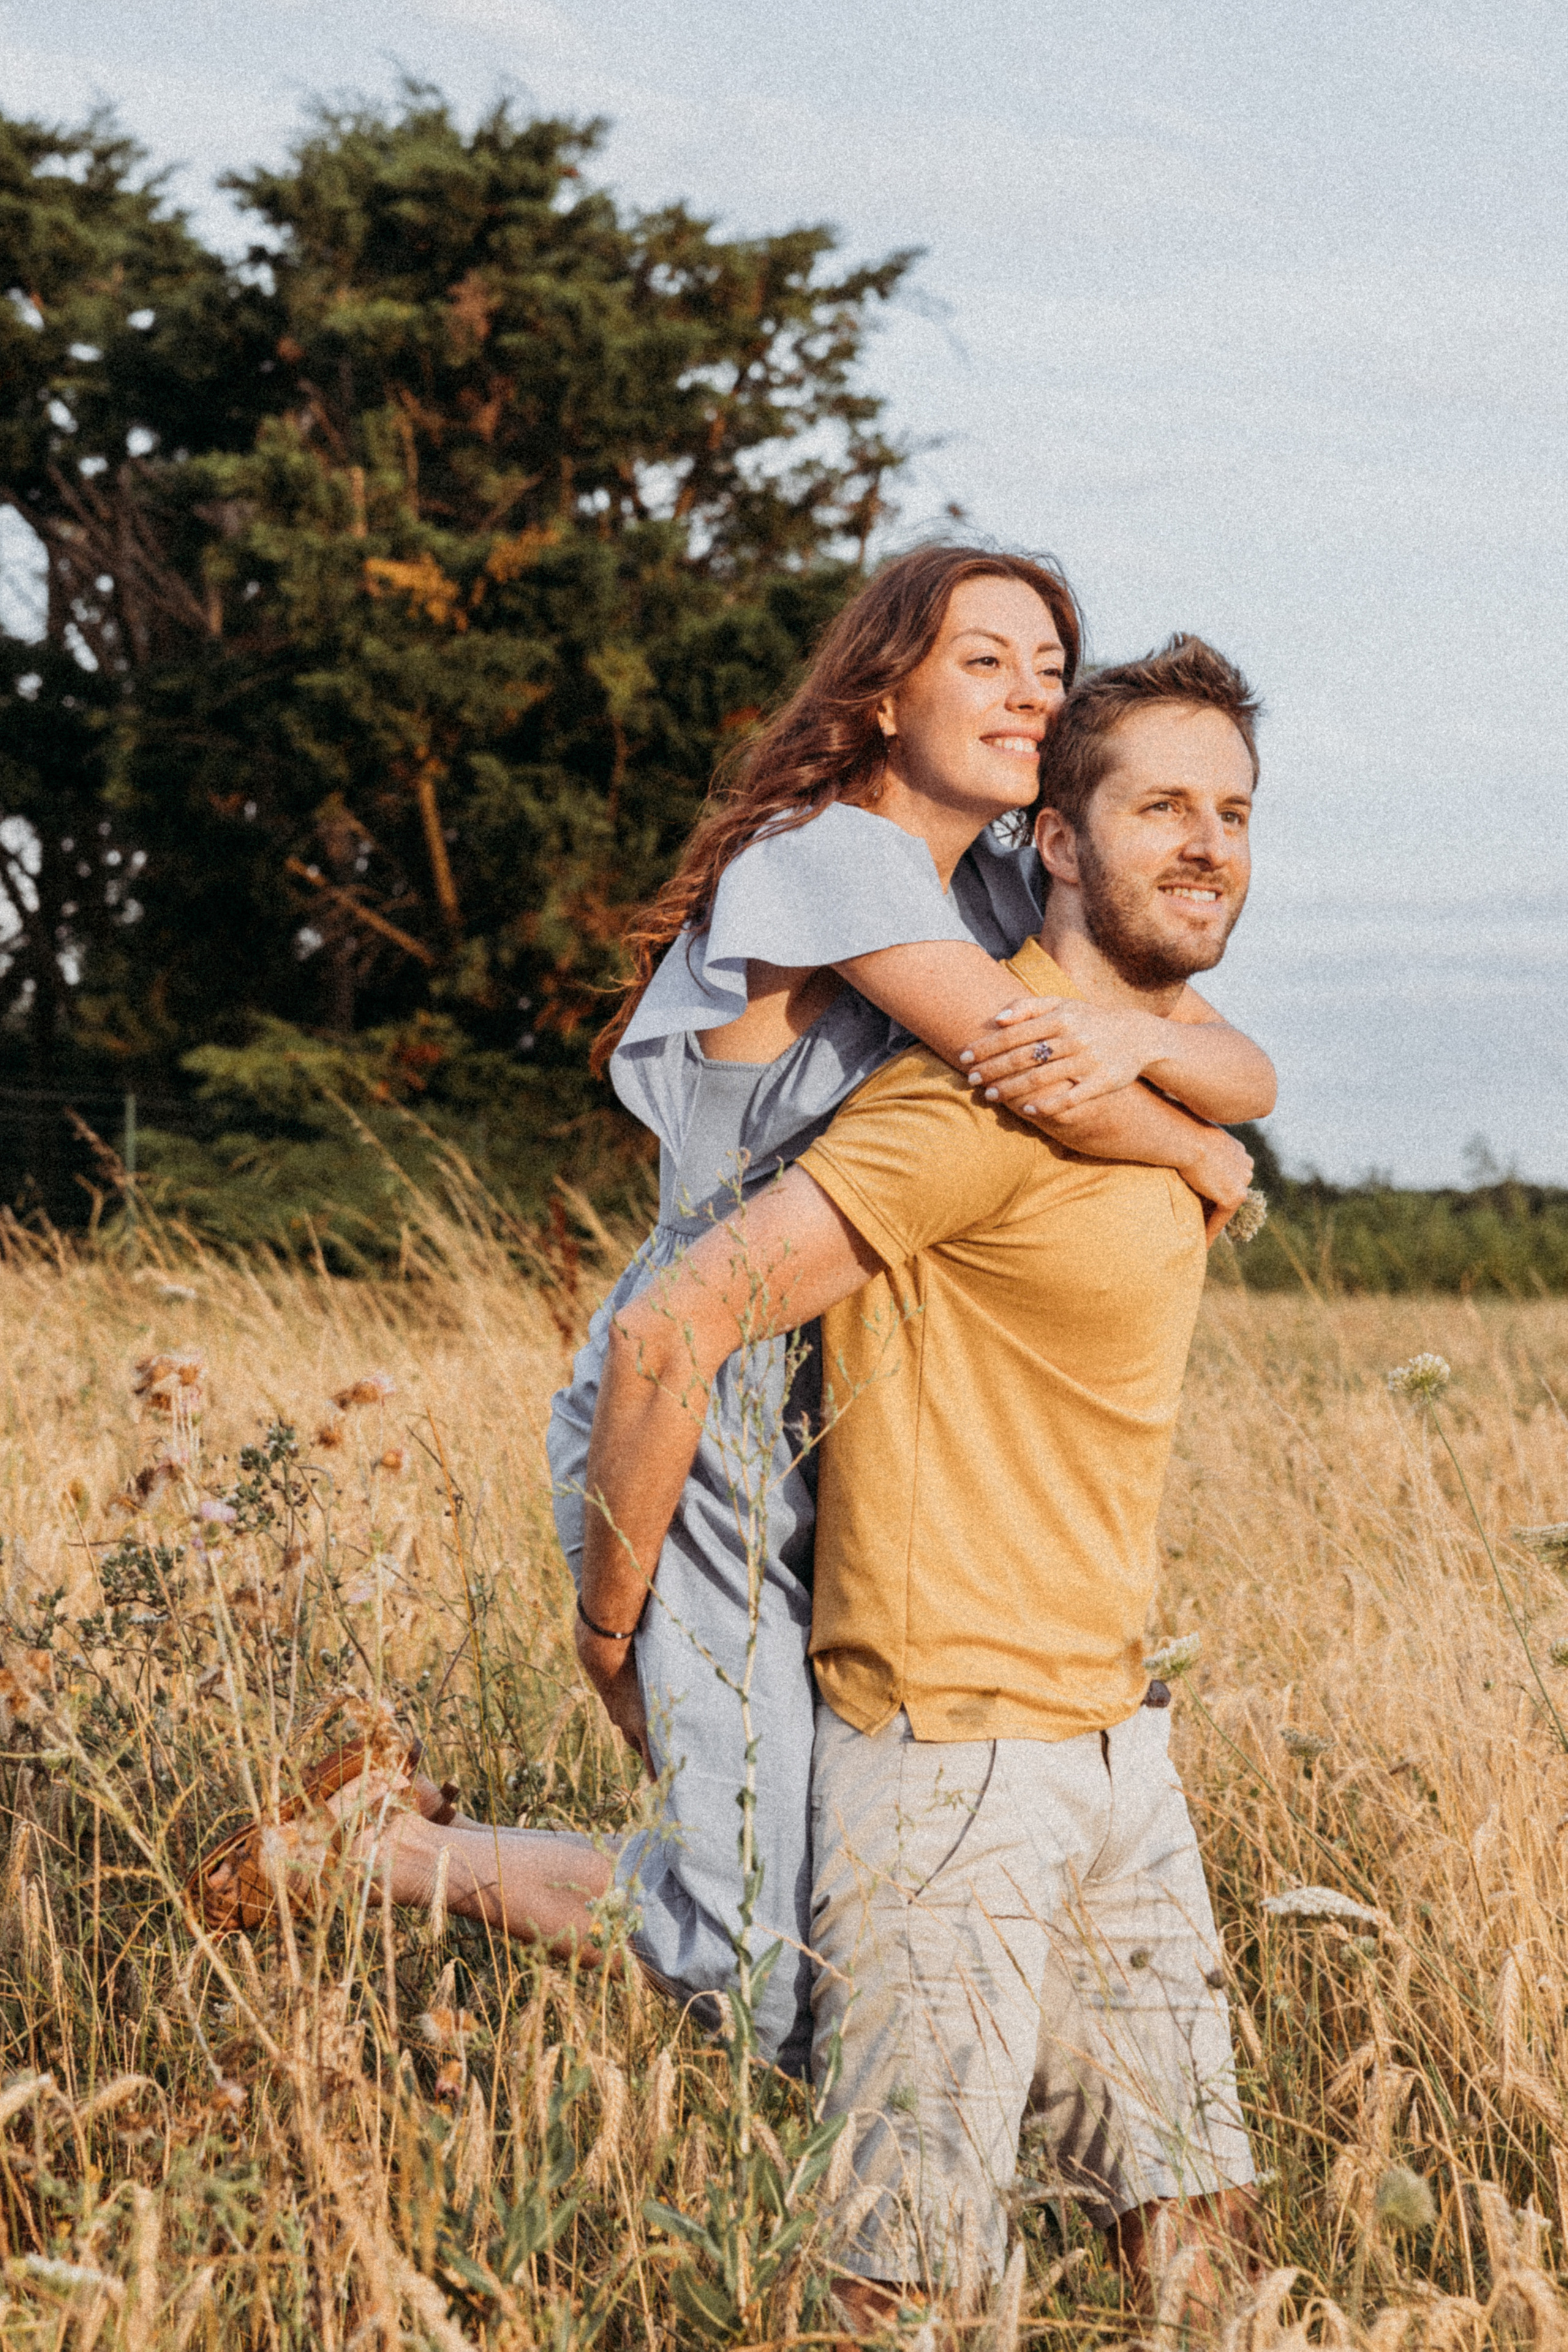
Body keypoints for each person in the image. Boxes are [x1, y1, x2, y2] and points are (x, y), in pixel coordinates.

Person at [187, 554, 1272, 2082]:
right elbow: (1031, 1069)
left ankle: (383, 1837)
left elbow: (1235, 1060)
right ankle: (380, 1855)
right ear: (885, 691)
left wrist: (1156, 1063)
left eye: (1049, 663)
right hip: (701, 1398)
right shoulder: (829, 854)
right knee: (766, 1954)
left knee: (835, 1915)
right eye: (984, 660)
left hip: (846, 1414)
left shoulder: (996, 884)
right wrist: (1186, 1142)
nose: (1030, 692)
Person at [563, 633, 1265, 2321]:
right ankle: (385, 1857)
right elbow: (676, 1329)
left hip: (1114, 1748)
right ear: (1057, 843)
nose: (1208, 844)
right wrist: (612, 1624)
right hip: (949, 1772)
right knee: (912, 2285)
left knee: (1201, 2239)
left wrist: (1197, 1115)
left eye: (1235, 812)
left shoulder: (1150, 1062)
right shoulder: (978, 1098)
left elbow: (1234, 1076)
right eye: (1161, 804)